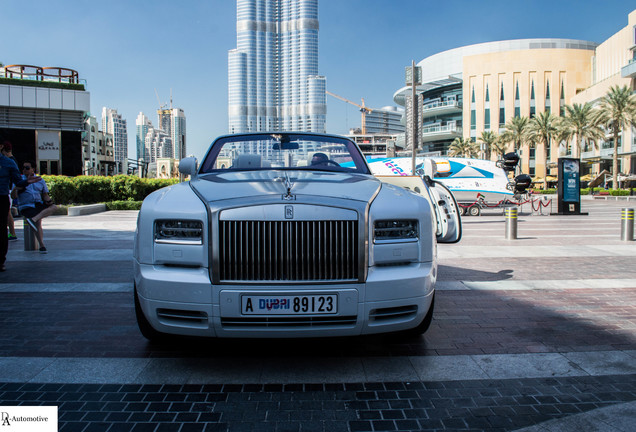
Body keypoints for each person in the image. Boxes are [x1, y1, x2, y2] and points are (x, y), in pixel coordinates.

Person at [0, 142, 41, 271]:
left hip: (1, 198)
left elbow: (18, 181)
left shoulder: (8, 163)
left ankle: (1, 261)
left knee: (2, 230)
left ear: (1, 146)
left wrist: (26, 182)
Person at [13, 161, 57, 254]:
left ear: (33, 169)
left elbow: (45, 195)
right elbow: (13, 196)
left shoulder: (40, 180)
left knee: (54, 207)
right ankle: (42, 245)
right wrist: (16, 188)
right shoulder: (19, 180)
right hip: (26, 205)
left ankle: (33, 219)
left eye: (27, 168)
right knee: (38, 223)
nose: (25, 169)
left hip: (37, 204)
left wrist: (49, 201)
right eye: (23, 167)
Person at [1, 141, 19, 241]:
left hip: (8, 190)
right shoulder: (12, 160)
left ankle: (12, 233)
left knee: (7, 212)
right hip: (8, 189)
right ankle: (12, 233)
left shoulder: (9, 161)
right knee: (7, 212)